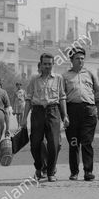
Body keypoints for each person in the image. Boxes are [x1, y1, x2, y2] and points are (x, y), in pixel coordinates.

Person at [21, 54, 68, 182]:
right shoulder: (34, 80)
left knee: (54, 144)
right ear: (40, 65)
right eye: (45, 64)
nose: (47, 66)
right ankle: (39, 166)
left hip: (53, 111)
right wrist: (24, 118)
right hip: (37, 112)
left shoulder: (58, 78)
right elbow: (28, 99)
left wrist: (65, 116)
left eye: (50, 64)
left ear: (53, 64)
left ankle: (50, 172)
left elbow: (62, 97)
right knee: (35, 143)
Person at [63, 48, 99, 181]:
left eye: (82, 58)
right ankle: (74, 172)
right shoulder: (65, 76)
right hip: (72, 110)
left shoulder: (90, 73)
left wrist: (96, 107)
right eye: (77, 58)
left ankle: (88, 171)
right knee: (74, 143)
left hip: (88, 111)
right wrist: (64, 115)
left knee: (87, 142)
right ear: (71, 60)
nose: (80, 61)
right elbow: (61, 96)